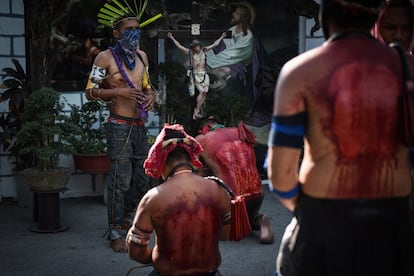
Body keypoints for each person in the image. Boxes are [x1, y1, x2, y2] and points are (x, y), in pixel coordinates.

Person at [266, 0, 414, 275]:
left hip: (323, 221)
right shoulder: (407, 68)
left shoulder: (300, 72)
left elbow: (281, 174)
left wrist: (307, 213)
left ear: (325, 18)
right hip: (393, 222)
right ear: (375, 19)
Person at [85, 10, 157, 252]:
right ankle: (115, 230)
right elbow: (90, 91)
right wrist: (118, 92)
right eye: (128, 29)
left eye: (137, 29)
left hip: (139, 126)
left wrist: (150, 97)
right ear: (116, 33)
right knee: (120, 180)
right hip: (119, 126)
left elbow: (148, 87)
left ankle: (131, 221)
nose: (134, 33)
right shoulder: (104, 58)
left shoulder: (142, 56)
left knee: (142, 178)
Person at [127, 123, 231, 275]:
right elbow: (225, 234)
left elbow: (136, 251)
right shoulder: (219, 190)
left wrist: (160, 258)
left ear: (161, 162)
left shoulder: (153, 198)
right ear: (190, 158)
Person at [195, 116, 274, 244]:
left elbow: (190, 171)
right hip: (257, 197)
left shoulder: (202, 139)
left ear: (202, 129)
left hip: (230, 201)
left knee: (199, 175)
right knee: (246, 215)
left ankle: (217, 222)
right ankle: (258, 220)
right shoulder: (242, 132)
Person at [167, 32, 227, 120]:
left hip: (204, 75)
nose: (197, 48)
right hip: (196, 75)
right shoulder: (190, 53)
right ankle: (197, 110)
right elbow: (180, 47)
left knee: (204, 92)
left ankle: (199, 109)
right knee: (202, 91)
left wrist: (222, 36)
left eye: (198, 46)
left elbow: (215, 44)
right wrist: (172, 37)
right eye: (195, 47)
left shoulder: (204, 51)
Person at [206, 2, 255, 90]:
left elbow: (237, 54)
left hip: (235, 63)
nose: (233, 14)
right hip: (222, 58)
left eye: (236, 13)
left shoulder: (247, 35)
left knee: (220, 73)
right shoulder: (232, 29)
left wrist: (216, 58)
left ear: (243, 17)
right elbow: (222, 45)